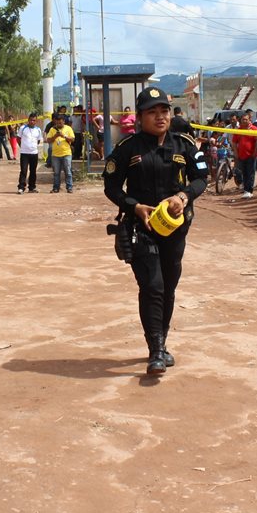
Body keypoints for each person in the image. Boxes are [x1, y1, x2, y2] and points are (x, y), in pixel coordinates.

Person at [103, 87, 208, 376]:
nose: (160, 117)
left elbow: (201, 178)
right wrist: (134, 206)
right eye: (152, 112)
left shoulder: (184, 144)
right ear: (140, 117)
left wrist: (184, 197)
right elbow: (111, 186)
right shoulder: (127, 149)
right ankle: (156, 349)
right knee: (152, 285)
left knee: (169, 286)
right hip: (141, 228)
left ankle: (161, 342)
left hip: (175, 229)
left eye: (163, 111)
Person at [45, 112, 76, 193]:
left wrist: (64, 136)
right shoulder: (52, 129)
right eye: (58, 122)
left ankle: (69, 187)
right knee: (56, 173)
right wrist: (55, 136)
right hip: (55, 155)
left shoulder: (68, 129)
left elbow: (72, 139)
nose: (59, 124)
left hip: (66, 153)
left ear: (64, 122)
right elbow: (48, 140)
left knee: (68, 172)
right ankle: (56, 188)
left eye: (61, 122)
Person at [232, 112, 257, 199]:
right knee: (244, 173)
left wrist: (255, 152)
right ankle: (246, 189)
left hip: (251, 155)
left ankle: (249, 191)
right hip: (241, 155)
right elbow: (234, 142)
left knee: (250, 173)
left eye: (246, 119)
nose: (244, 121)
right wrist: (236, 153)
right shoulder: (238, 130)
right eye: (243, 119)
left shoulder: (254, 129)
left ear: (249, 120)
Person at [17, 113, 44, 194]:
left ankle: (32, 187)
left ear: (36, 121)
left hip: (34, 153)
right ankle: (21, 187)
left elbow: (38, 140)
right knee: (23, 171)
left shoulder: (38, 130)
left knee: (33, 171)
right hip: (24, 153)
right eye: (31, 120)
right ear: (28, 120)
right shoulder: (23, 128)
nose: (32, 122)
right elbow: (18, 138)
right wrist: (22, 146)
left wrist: (33, 146)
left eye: (34, 120)